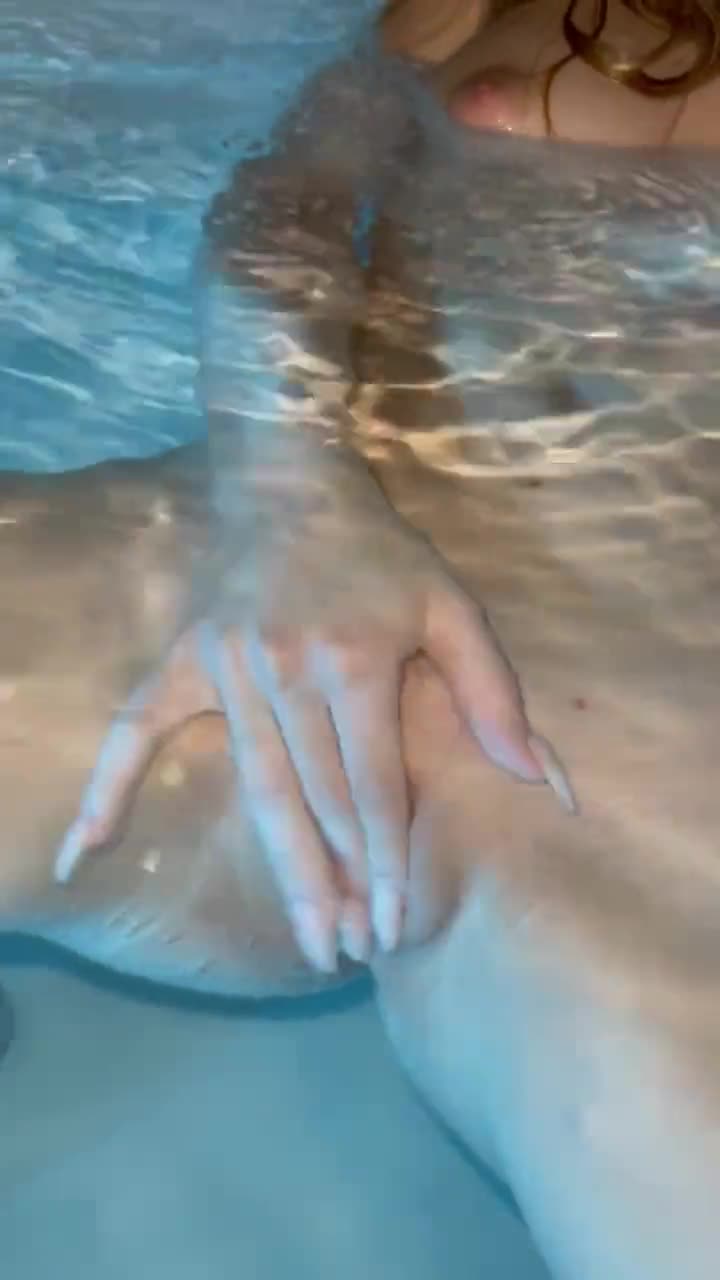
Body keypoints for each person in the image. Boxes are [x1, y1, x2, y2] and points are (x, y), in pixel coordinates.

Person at [56, 0, 720, 975]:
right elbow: (286, 207)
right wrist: (289, 493)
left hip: (630, 672)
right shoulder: (461, 9)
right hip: (322, 529)